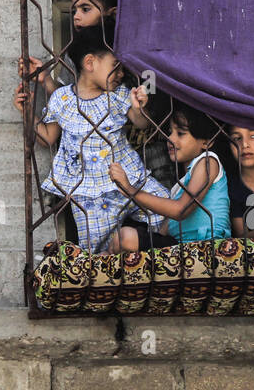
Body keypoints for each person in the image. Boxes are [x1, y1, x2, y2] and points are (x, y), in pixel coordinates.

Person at [14, 21, 169, 252]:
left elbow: (141, 123)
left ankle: (161, 261)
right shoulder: (62, 99)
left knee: (165, 207)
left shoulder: (118, 95)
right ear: (90, 63)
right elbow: (47, 137)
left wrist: (140, 107)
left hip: (128, 179)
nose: (121, 73)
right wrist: (27, 113)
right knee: (96, 252)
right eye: (115, 66)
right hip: (89, 196)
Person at [108, 102, 231, 251]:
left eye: (180, 133)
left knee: (126, 237)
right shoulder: (179, 187)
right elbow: (163, 231)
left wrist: (131, 190)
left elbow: (181, 210)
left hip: (208, 247)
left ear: (207, 141)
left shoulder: (208, 161)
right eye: (169, 132)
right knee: (121, 239)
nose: (170, 139)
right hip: (181, 248)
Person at [19, 0, 117, 95]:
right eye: (74, 11)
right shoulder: (75, 50)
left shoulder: (122, 49)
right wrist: (45, 78)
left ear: (112, 14)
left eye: (85, 9)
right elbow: (66, 97)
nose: (76, 16)